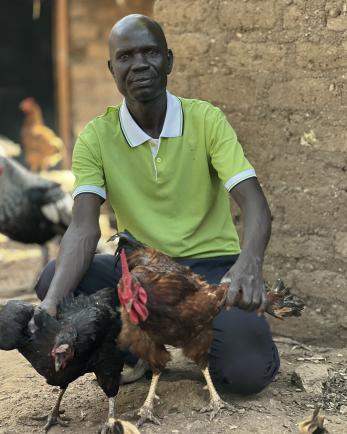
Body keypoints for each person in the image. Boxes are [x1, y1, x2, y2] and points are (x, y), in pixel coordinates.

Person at [34, 14, 279, 394]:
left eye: (150, 52)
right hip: (141, 275)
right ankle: (135, 353)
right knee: (55, 281)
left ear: (168, 60)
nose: (139, 64)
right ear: (111, 67)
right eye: (126, 56)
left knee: (247, 373)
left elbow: (255, 204)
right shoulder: (97, 137)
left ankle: (204, 339)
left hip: (209, 271)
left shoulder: (206, 120)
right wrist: (50, 304)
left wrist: (249, 264)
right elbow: (83, 228)